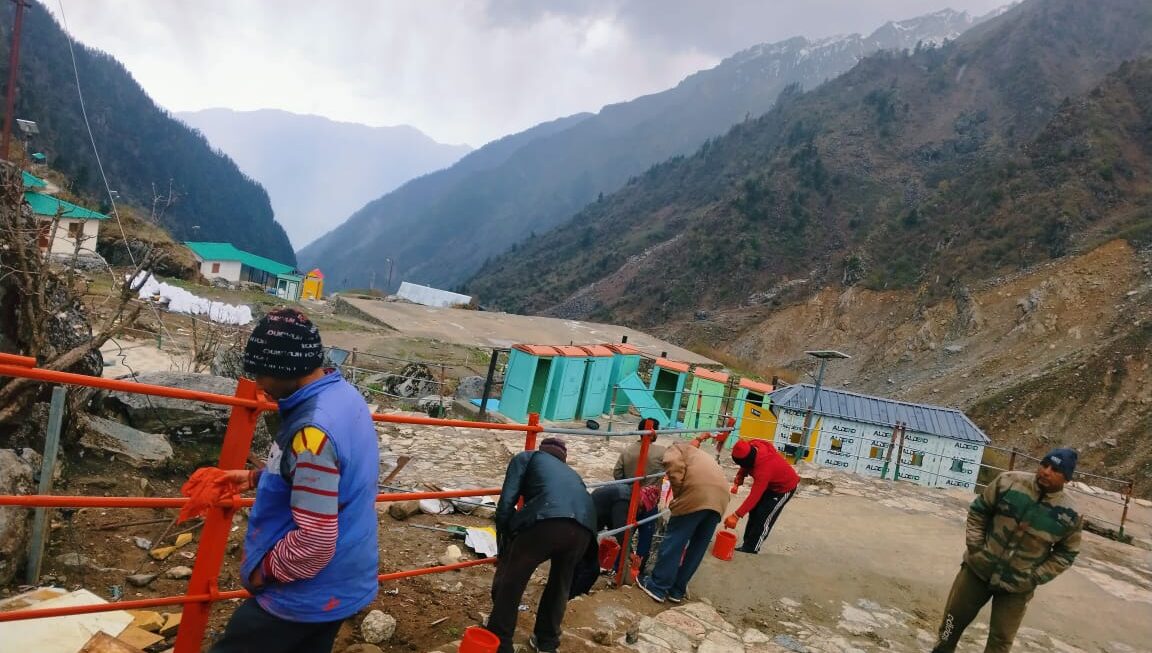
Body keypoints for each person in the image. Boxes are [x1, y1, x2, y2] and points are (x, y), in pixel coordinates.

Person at [211, 308, 380, 653]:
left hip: (303, 596)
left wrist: (261, 574)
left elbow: (315, 542)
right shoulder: (344, 396)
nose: (257, 384)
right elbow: (331, 477)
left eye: (261, 373)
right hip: (343, 581)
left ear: (285, 369)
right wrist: (258, 477)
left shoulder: (312, 432)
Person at [931, 448, 1083, 653]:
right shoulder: (1009, 482)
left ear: (1066, 478)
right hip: (977, 571)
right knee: (951, 623)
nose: (1046, 472)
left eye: (1055, 469)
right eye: (1044, 464)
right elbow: (979, 510)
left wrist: (1034, 577)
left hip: (1017, 588)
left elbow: (1067, 552)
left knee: (1000, 642)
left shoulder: (1071, 513)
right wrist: (976, 548)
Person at [490, 437, 596, 653]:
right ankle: (547, 642)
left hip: (547, 521)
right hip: (584, 530)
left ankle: (500, 641)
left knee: (513, 579)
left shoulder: (527, 458)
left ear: (542, 450)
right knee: (560, 584)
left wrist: (505, 539)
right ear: (563, 459)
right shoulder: (572, 474)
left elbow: (506, 502)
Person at [636, 439, 730, 604]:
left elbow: (673, 466)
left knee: (675, 542)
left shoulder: (676, 449)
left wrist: (679, 495)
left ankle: (657, 586)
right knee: (697, 548)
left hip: (697, 495)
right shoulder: (700, 456)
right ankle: (677, 590)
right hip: (720, 500)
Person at [725, 438, 800, 553]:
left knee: (764, 516)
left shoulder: (764, 470)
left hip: (783, 488)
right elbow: (745, 463)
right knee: (754, 511)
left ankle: (752, 548)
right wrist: (740, 477)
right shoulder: (751, 446)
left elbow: (754, 496)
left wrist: (736, 515)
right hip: (770, 483)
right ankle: (747, 543)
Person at [611, 417, 665, 570]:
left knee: (626, 535)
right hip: (650, 503)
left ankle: (618, 567)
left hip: (629, 498)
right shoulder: (662, 453)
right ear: (653, 432)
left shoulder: (628, 450)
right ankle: (638, 569)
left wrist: (628, 486)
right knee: (645, 537)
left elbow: (617, 473)